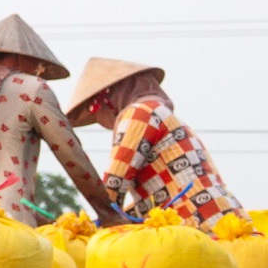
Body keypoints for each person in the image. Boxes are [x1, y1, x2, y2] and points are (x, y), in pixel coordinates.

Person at [0, 13, 123, 225]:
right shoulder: (31, 88)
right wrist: (108, 212)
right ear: (21, 57)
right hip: (9, 222)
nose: (40, 72)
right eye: (39, 66)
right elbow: (72, 155)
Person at [67, 56, 245, 226]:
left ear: (108, 101)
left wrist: (94, 224)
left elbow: (115, 183)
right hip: (223, 215)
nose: (100, 121)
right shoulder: (158, 112)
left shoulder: (139, 114)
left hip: (199, 219)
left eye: (96, 113)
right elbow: (157, 195)